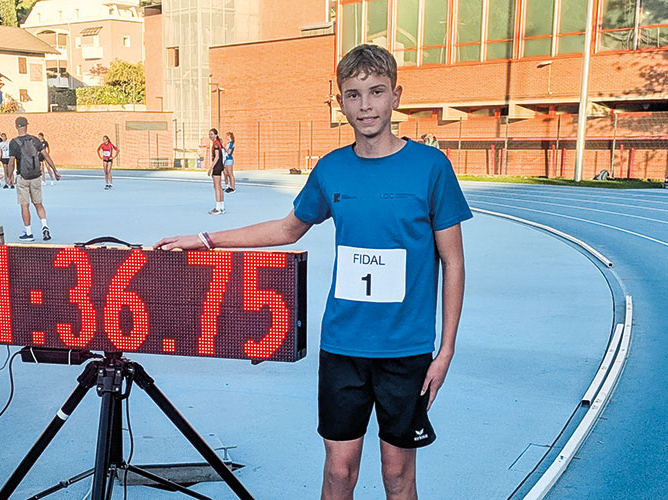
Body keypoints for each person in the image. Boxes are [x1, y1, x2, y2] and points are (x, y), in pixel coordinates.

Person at [155, 44, 471, 500]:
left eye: (376, 92)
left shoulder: (430, 168)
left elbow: (453, 262)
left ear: (396, 96)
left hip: (407, 350)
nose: (366, 105)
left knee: (397, 474)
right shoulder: (331, 169)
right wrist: (205, 239)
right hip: (343, 346)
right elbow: (288, 229)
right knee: (339, 473)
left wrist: (446, 351)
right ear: (340, 102)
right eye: (353, 94)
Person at [5, 116, 56, 241]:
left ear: (16, 126)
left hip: (23, 176)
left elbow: (11, 162)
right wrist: (54, 170)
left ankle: (29, 233)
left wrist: (9, 176)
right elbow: (46, 155)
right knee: (38, 204)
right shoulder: (35, 140)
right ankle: (44, 226)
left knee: (25, 205)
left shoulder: (14, 142)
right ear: (27, 125)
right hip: (36, 176)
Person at [207, 128, 226, 214]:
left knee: (217, 186)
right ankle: (221, 206)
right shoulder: (218, 143)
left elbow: (217, 156)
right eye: (209, 134)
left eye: (212, 134)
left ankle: (218, 208)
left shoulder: (216, 144)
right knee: (218, 186)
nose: (210, 136)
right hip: (219, 166)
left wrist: (211, 168)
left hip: (217, 166)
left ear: (216, 135)